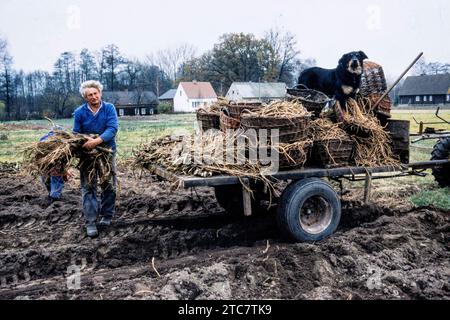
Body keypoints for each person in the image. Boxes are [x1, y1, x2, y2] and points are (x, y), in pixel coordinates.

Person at [73, 80, 119, 238]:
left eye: (95, 93)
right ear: (85, 98)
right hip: (87, 155)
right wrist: (87, 143)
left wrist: (96, 141)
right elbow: (76, 133)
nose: (94, 97)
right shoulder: (79, 112)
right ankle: (91, 222)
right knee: (89, 186)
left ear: (100, 93)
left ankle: (107, 215)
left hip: (107, 152)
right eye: (89, 95)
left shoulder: (109, 108)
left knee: (109, 184)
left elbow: (112, 128)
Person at [40, 126, 69, 202]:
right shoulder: (63, 141)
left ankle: (52, 194)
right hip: (56, 164)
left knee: (46, 179)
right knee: (56, 179)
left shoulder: (43, 138)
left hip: (44, 164)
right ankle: (54, 196)